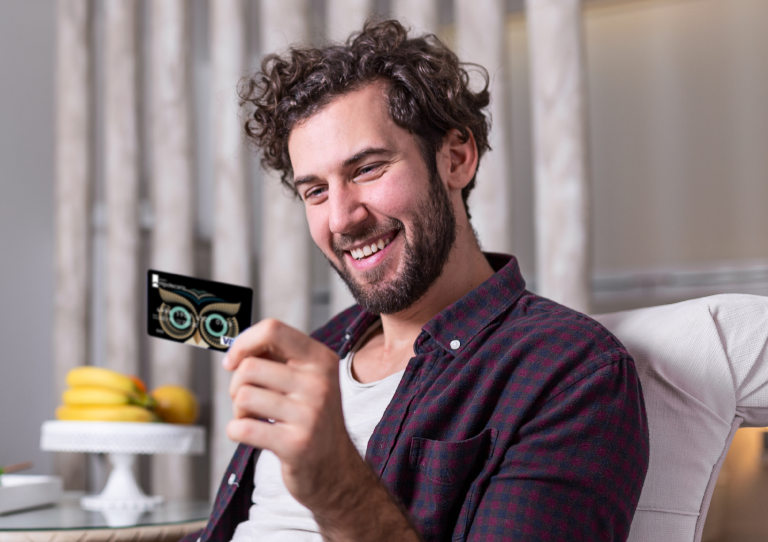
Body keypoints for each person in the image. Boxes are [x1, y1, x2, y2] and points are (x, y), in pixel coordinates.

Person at [184, 19, 649, 542]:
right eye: (315, 191)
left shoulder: (571, 372)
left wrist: (338, 486)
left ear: (456, 157)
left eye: (367, 169)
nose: (341, 219)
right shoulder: (321, 348)